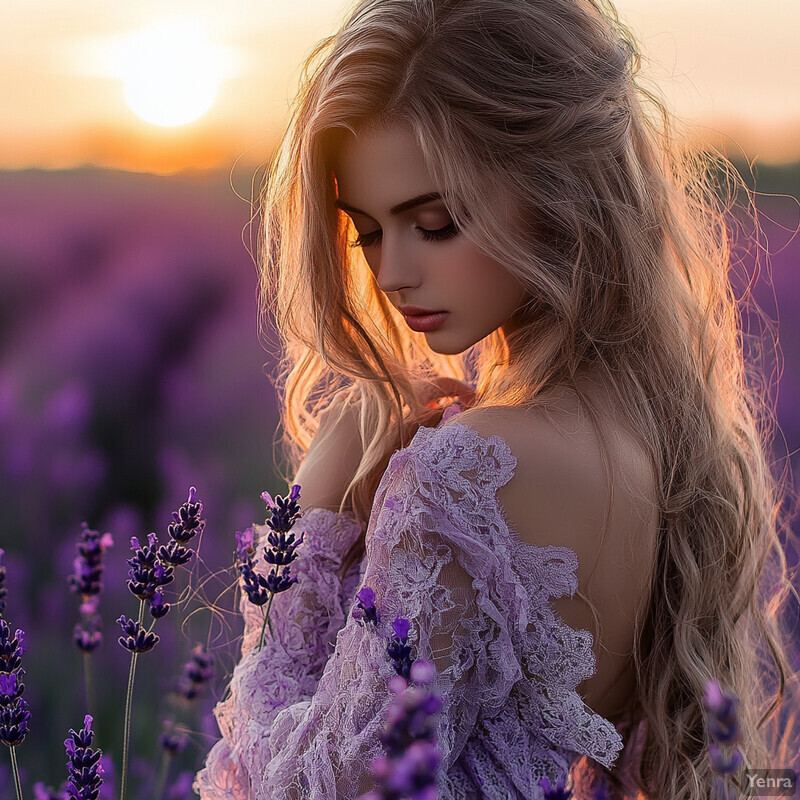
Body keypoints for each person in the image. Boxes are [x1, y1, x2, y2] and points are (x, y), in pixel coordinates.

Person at [194, 0, 798, 797]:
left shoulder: (463, 473)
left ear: (554, 193)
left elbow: (293, 789)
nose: (390, 273)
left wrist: (310, 516)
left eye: (434, 222)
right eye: (368, 229)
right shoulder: (654, 434)